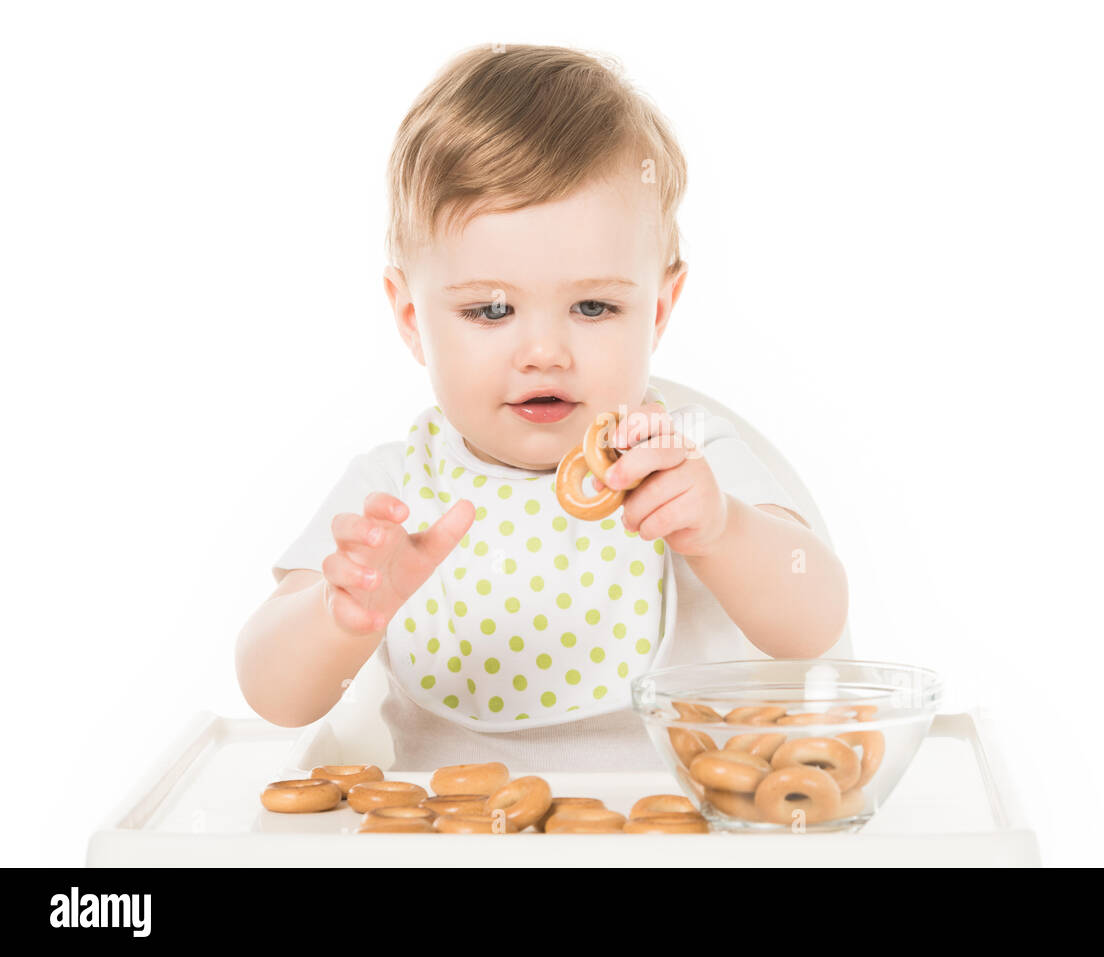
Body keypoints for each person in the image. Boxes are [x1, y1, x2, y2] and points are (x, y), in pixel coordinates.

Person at [236, 43, 849, 771]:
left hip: (657, 834)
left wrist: (722, 529)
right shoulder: (394, 490)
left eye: (593, 305)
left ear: (658, 309)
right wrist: (343, 615)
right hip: (442, 834)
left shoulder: (683, 457)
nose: (545, 351)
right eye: (491, 310)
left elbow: (816, 619)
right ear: (409, 316)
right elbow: (270, 691)